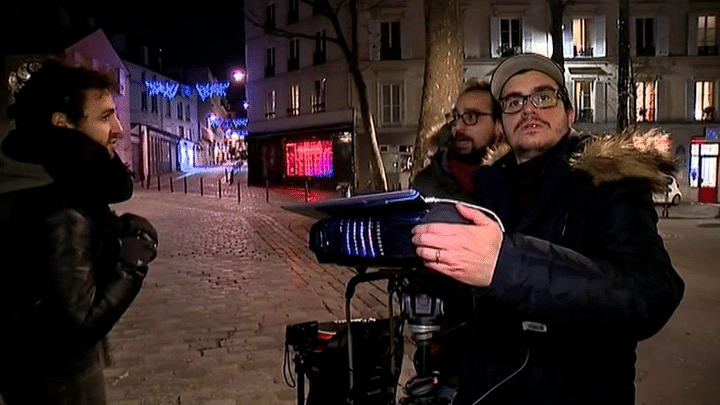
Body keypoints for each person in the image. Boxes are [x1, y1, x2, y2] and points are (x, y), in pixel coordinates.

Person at [411, 53, 684, 404]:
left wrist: (507, 265)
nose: (528, 109)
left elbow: (649, 295)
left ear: (569, 114)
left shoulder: (609, 181)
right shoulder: (487, 188)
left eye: (543, 97)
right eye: (513, 102)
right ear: (502, 125)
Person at [0, 59, 158, 404]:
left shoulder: (45, 178)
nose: (118, 128)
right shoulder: (59, 202)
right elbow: (78, 323)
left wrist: (111, 230)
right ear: (63, 125)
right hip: (58, 379)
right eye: (104, 117)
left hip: (32, 369)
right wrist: (133, 261)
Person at [411, 80, 502, 201]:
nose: (457, 127)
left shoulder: (515, 181)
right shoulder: (426, 184)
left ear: (498, 124)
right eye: (456, 117)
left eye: (471, 117)